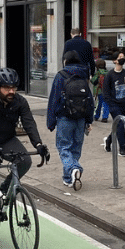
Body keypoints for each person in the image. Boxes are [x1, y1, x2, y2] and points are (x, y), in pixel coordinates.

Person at [0, 67, 49, 239]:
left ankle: (6, 187)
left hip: (6, 140)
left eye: (14, 87)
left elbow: (29, 123)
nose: (11, 91)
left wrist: (38, 144)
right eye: (7, 88)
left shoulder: (20, 101)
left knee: (25, 161)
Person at [46, 50, 94, 189]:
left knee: (63, 147)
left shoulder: (61, 76)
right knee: (75, 148)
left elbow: (53, 100)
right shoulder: (83, 75)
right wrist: (88, 120)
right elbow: (89, 99)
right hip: (81, 119)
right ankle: (68, 178)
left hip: (64, 118)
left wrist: (51, 122)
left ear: (65, 61)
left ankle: (74, 168)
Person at [102, 52, 125, 157]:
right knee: (120, 124)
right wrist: (111, 104)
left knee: (118, 126)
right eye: (120, 57)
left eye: (123, 57)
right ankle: (122, 148)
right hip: (114, 105)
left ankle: (108, 140)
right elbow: (106, 92)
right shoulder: (109, 75)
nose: (122, 58)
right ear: (115, 60)